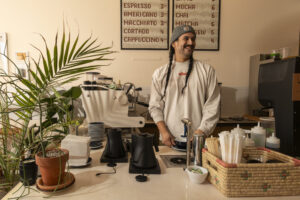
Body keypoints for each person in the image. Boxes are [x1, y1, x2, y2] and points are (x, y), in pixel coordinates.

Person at [148, 25, 220, 147]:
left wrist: (201, 131)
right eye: (186, 38)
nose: (191, 42)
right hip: (169, 140)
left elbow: (212, 105)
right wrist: (164, 132)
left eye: (193, 39)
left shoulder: (207, 71)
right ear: (174, 43)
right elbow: (155, 106)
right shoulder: (160, 73)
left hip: (197, 141)